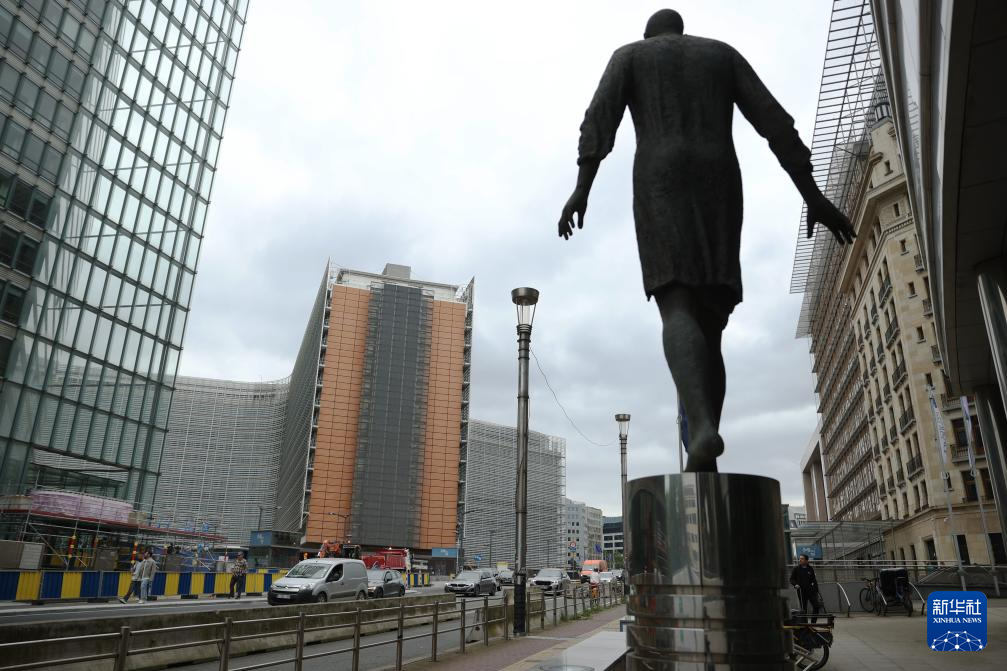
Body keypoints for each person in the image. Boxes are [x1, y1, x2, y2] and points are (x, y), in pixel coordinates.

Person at [558, 9, 855, 472]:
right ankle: (705, 443)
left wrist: (582, 188)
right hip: (720, 179)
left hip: (660, 177)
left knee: (676, 304)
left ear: (649, 34)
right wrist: (812, 196)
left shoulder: (630, 56)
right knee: (712, 324)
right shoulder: (720, 55)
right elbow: (776, 123)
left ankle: (700, 429)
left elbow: (597, 123)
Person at [790, 553, 823, 621]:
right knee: (804, 609)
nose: (800, 560)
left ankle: (813, 622)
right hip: (801, 591)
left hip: (811, 591)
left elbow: (814, 580)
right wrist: (795, 584)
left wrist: (816, 590)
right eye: (800, 558)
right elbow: (791, 579)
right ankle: (805, 624)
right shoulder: (796, 569)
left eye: (802, 559)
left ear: (806, 560)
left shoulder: (810, 569)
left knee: (816, 606)